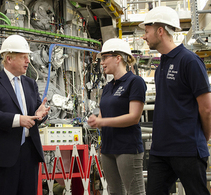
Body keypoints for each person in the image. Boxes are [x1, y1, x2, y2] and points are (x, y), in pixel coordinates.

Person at [139, 6, 211, 195]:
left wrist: (202, 139)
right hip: (161, 150)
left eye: (147, 31)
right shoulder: (162, 63)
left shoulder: (190, 62)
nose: (144, 37)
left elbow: (207, 109)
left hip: (187, 149)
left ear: (160, 31)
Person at [0, 34, 50, 195]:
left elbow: (36, 113)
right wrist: (19, 120)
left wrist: (40, 114)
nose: (28, 61)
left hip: (29, 153)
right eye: (24, 57)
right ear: (9, 58)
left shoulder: (30, 84)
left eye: (28, 57)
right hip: (3, 156)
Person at [87, 38, 147, 195]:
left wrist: (102, 121)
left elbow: (134, 117)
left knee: (135, 192)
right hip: (108, 149)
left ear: (118, 58)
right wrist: (95, 121)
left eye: (105, 58)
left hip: (127, 148)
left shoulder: (135, 82)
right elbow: (101, 118)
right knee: (114, 192)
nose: (102, 62)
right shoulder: (107, 87)